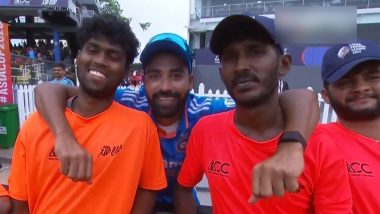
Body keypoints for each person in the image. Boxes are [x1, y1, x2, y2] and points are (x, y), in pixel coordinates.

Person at [34, 32, 319, 211]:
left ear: (191, 80)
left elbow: (300, 98)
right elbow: (49, 90)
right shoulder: (128, 103)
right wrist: (64, 136)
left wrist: (292, 145)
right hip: (132, 205)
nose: (165, 86)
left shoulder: (206, 109)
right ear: (142, 79)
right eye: (155, 75)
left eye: (176, 75)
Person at [175, 14, 352, 213]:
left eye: (256, 52)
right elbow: (183, 188)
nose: (241, 66)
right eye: (230, 57)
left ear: (283, 65)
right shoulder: (206, 130)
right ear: (221, 73)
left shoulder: (320, 145)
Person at [8, 14, 167, 213]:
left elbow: (149, 188)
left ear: (126, 71)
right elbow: (20, 202)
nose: (100, 61)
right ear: (78, 57)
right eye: (92, 50)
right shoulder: (35, 126)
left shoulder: (141, 127)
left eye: (113, 56)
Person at [320, 40, 380, 213]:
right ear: (326, 96)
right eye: (345, 82)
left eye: (373, 77)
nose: (360, 88)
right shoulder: (315, 142)